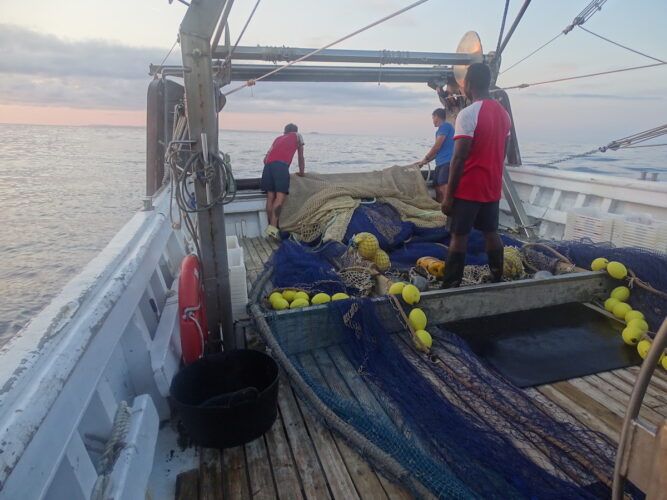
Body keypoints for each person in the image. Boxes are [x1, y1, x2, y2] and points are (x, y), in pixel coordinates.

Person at [440, 63, 511, 288]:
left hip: (468, 188)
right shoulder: (503, 114)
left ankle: (451, 284)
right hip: (491, 188)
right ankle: (497, 276)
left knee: (459, 236)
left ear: (468, 85)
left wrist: (449, 197)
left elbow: (459, 158)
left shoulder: (468, 113)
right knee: (491, 233)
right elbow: (503, 150)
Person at [261, 123, 305, 238]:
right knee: (280, 199)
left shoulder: (278, 139)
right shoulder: (298, 135)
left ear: (284, 131)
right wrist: (301, 172)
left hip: (268, 167)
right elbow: (301, 156)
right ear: (295, 130)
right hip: (280, 167)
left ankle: (270, 226)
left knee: (271, 197)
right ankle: (273, 229)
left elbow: (265, 159)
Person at [418, 108, 454, 202]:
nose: (433, 121)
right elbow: (437, 152)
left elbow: (437, 146)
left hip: (447, 162)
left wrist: (425, 157)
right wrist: (424, 162)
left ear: (437, 116)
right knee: (436, 186)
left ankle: (449, 209)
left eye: (433, 118)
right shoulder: (439, 131)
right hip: (440, 163)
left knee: (443, 185)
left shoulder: (445, 126)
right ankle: (440, 210)